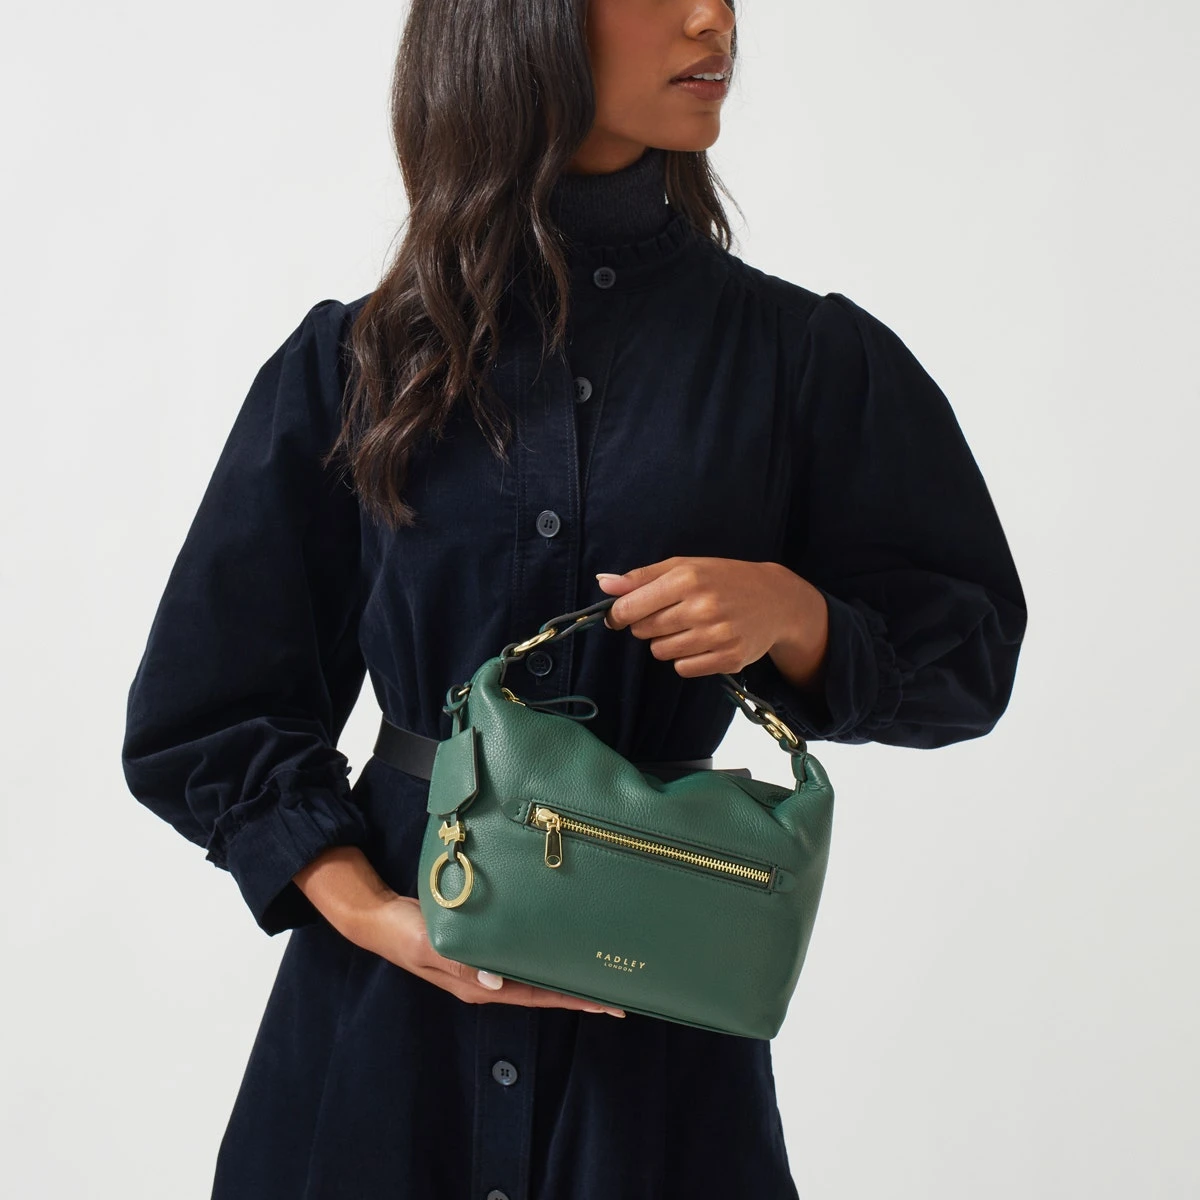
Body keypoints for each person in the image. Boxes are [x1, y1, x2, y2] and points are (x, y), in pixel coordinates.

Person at [120, 1, 1028, 1197]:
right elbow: (207, 712)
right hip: (376, 1052)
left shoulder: (799, 360)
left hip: (657, 1055)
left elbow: (966, 657)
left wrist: (794, 615)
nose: (713, 17)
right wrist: (378, 917)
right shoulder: (359, 366)